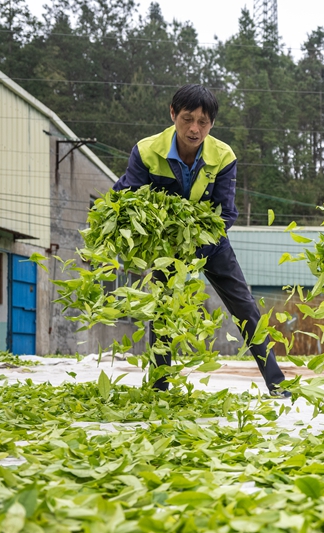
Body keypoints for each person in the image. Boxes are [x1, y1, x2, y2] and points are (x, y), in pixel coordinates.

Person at [113, 84, 288, 396]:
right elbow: (132, 205)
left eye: (203, 122)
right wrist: (165, 249)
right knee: (163, 311)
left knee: (244, 306)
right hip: (165, 244)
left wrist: (195, 249)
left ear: (212, 124)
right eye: (187, 119)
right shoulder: (146, 151)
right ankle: (159, 388)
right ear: (173, 114)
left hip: (210, 241)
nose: (194, 129)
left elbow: (226, 212)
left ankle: (277, 383)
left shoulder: (223, 156)